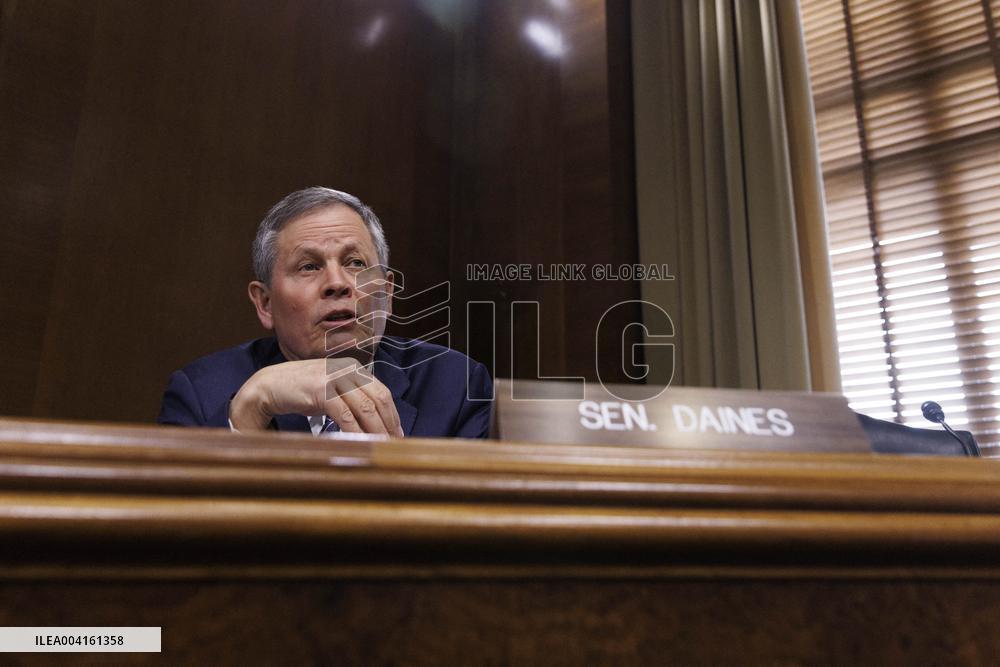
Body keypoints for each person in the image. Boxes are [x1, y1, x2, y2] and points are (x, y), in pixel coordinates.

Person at [157, 187, 492, 438]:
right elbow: (179, 524)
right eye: (308, 267)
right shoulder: (201, 393)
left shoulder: (456, 386)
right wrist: (250, 408)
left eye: (356, 263)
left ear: (387, 295)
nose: (337, 283)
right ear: (265, 303)